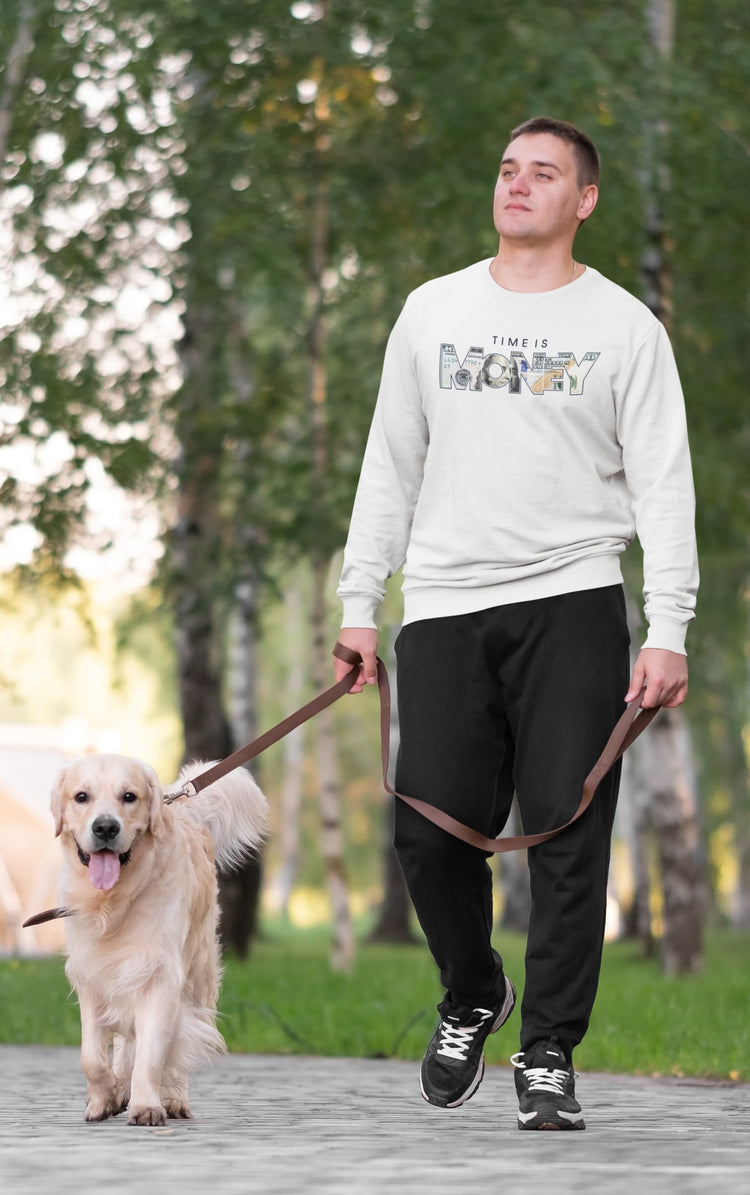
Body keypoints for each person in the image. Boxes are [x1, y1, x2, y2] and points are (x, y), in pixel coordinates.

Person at [334, 116, 698, 1131]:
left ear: (584, 200)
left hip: (576, 601)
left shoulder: (625, 328)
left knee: (570, 838)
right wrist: (360, 604)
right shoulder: (432, 311)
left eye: (544, 174)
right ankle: (469, 991)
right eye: (506, 169)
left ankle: (548, 1054)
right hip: (445, 603)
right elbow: (389, 465)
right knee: (426, 830)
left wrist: (668, 623)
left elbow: (665, 486)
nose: (518, 185)